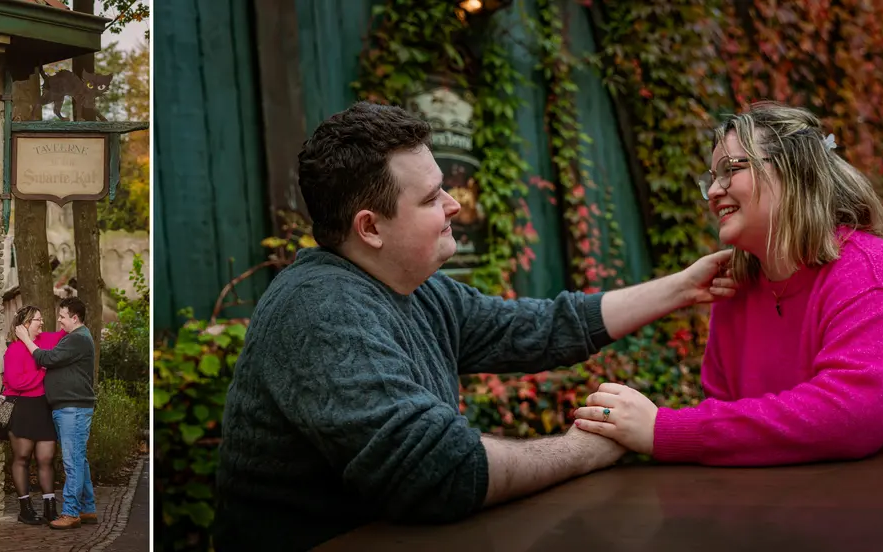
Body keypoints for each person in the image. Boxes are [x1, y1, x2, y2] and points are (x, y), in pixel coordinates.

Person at [212, 102, 738, 551]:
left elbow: (542, 328)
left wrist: (684, 287)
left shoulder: (414, 289)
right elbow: (440, 470)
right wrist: (587, 448)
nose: (454, 204)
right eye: (430, 198)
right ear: (369, 227)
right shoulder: (321, 310)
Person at [572, 102, 883, 465]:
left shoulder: (881, 279)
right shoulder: (738, 291)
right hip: (802, 509)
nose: (714, 191)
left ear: (794, 170)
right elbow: (733, 422)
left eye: (730, 170)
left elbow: (852, 417)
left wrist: (664, 429)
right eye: (711, 178)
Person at [14, 297, 98, 530]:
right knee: (79, 460)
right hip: (69, 408)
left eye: (62, 316)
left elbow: (46, 358)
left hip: (73, 409)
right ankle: (87, 508)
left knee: (72, 462)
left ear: (74, 317)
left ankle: (71, 513)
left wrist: (25, 340)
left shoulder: (78, 339)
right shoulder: (75, 338)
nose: (58, 321)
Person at [0, 306, 65, 525]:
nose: (43, 323)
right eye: (38, 319)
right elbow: (16, 382)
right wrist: (44, 372)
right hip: (22, 407)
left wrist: (68, 315)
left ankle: (49, 508)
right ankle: (25, 509)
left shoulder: (45, 341)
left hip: (43, 407)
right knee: (23, 457)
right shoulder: (14, 350)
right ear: (26, 324)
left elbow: (68, 331)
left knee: (47, 457)